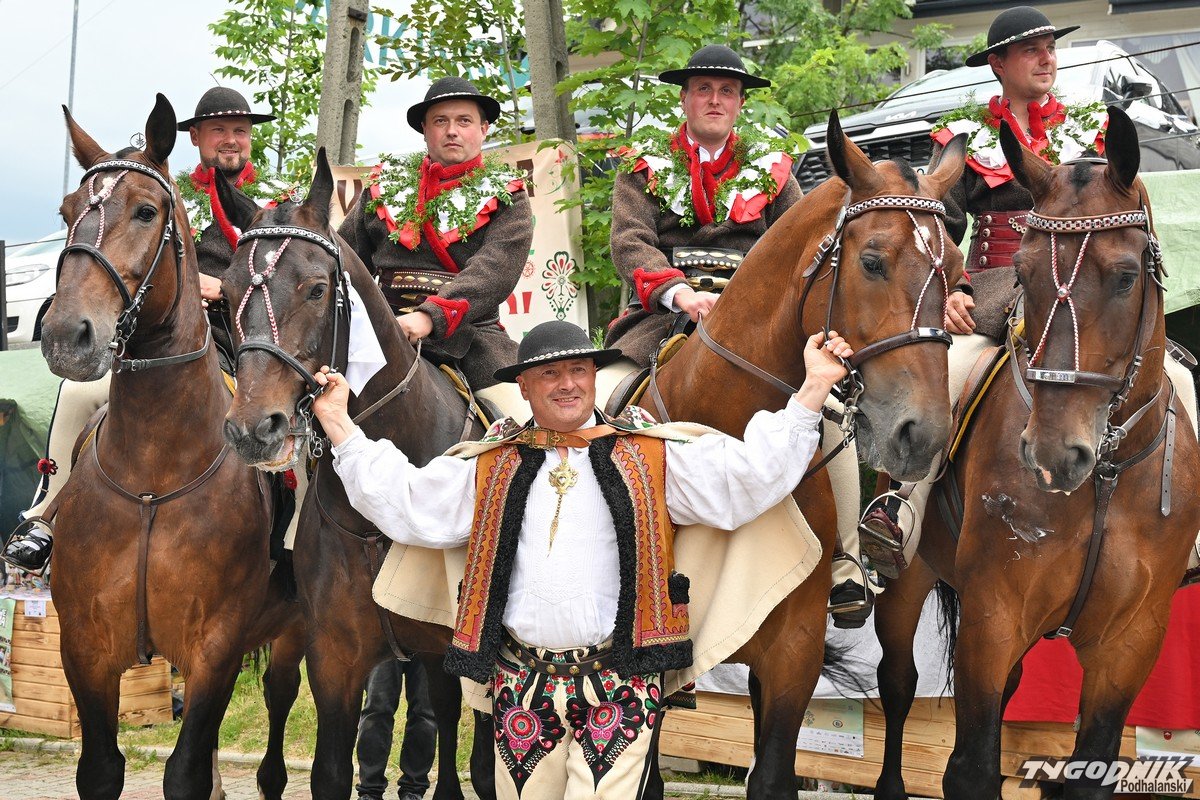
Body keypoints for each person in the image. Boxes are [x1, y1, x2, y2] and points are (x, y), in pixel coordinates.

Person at [312, 319, 854, 799]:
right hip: (521, 687)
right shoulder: (491, 464)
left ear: (595, 377)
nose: (567, 383)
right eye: (549, 374)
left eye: (578, 370)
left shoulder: (649, 453)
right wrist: (337, 421)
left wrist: (813, 387)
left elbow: (749, 477)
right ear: (523, 387)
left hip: (619, 687)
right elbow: (406, 501)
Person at [857, 5, 1198, 577]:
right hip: (993, 287)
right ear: (998, 64)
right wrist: (953, 290)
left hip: (1080, 295)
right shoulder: (963, 140)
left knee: (1178, 376)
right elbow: (934, 231)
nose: (1046, 59)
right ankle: (901, 510)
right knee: (951, 371)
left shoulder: (1091, 132)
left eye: (1050, 48)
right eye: (1030, 50)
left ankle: (1188, 528)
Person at [605, 44, 869, 625]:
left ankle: (846, 562)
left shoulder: (774, 171)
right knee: (606, 402)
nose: (715, 100)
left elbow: (806, 242)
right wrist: (679, 292)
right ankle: (613, 550)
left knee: (830, 411)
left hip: (759, 322)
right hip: (665, 315)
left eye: (727, 91)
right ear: (684, 98)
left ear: (740, 103)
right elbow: (629, 242)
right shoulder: (641, 165)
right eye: (703, 89)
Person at [1, 87, 287, 575]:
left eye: (240, 130)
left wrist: (224, 287)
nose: (231, 139)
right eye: (218, 130)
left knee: (302, 416)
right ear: (194, 138)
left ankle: (298, 540)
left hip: (250, 346)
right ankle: (46, 515)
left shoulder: (278, 202)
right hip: (161, 344)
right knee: (77, 392)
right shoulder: (156, 189)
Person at [338, 77, 531, 399]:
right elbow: (344, 259)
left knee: (518, 413)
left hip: (472, 335)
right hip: (380, 328)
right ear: (425, 130)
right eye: (440, 121)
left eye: (464, 121)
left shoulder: (507, 194)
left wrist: (431, 316)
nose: (452, 131)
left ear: (483, 129)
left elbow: (494, 270)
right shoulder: (384, 186)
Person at [356, 658, 437, 800]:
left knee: (424, 713)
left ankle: (413, 790)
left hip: (428, 646)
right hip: (384, 644)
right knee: (376, 709)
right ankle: (370, 790)